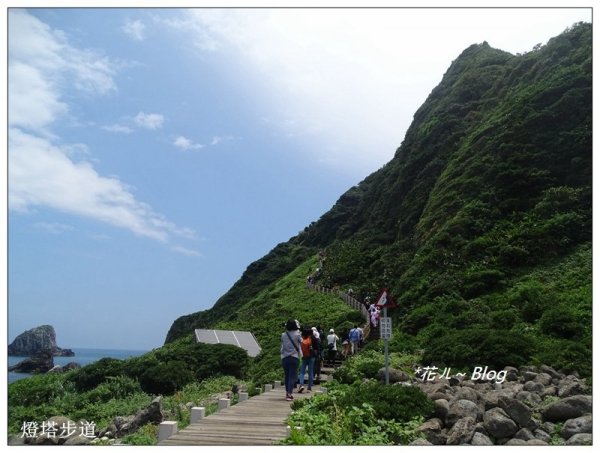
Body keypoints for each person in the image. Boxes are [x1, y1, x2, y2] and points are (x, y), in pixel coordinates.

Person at [280, 319, 302, 401]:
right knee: (292, 376)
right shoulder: (298, 335)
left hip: (285, 358)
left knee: (287, 376)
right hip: (294, 357)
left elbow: (283, 345)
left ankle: (287, 392)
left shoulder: (283, 335)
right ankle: (289, 394)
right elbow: (302, 342)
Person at [298, 328, 316, 393]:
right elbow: (316, 348)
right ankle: (309, 387)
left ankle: (301, 385)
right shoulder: (313, 338)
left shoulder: (303, 340)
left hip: (304, 357)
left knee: (302, 372)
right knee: (310, 372)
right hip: (312, 357)